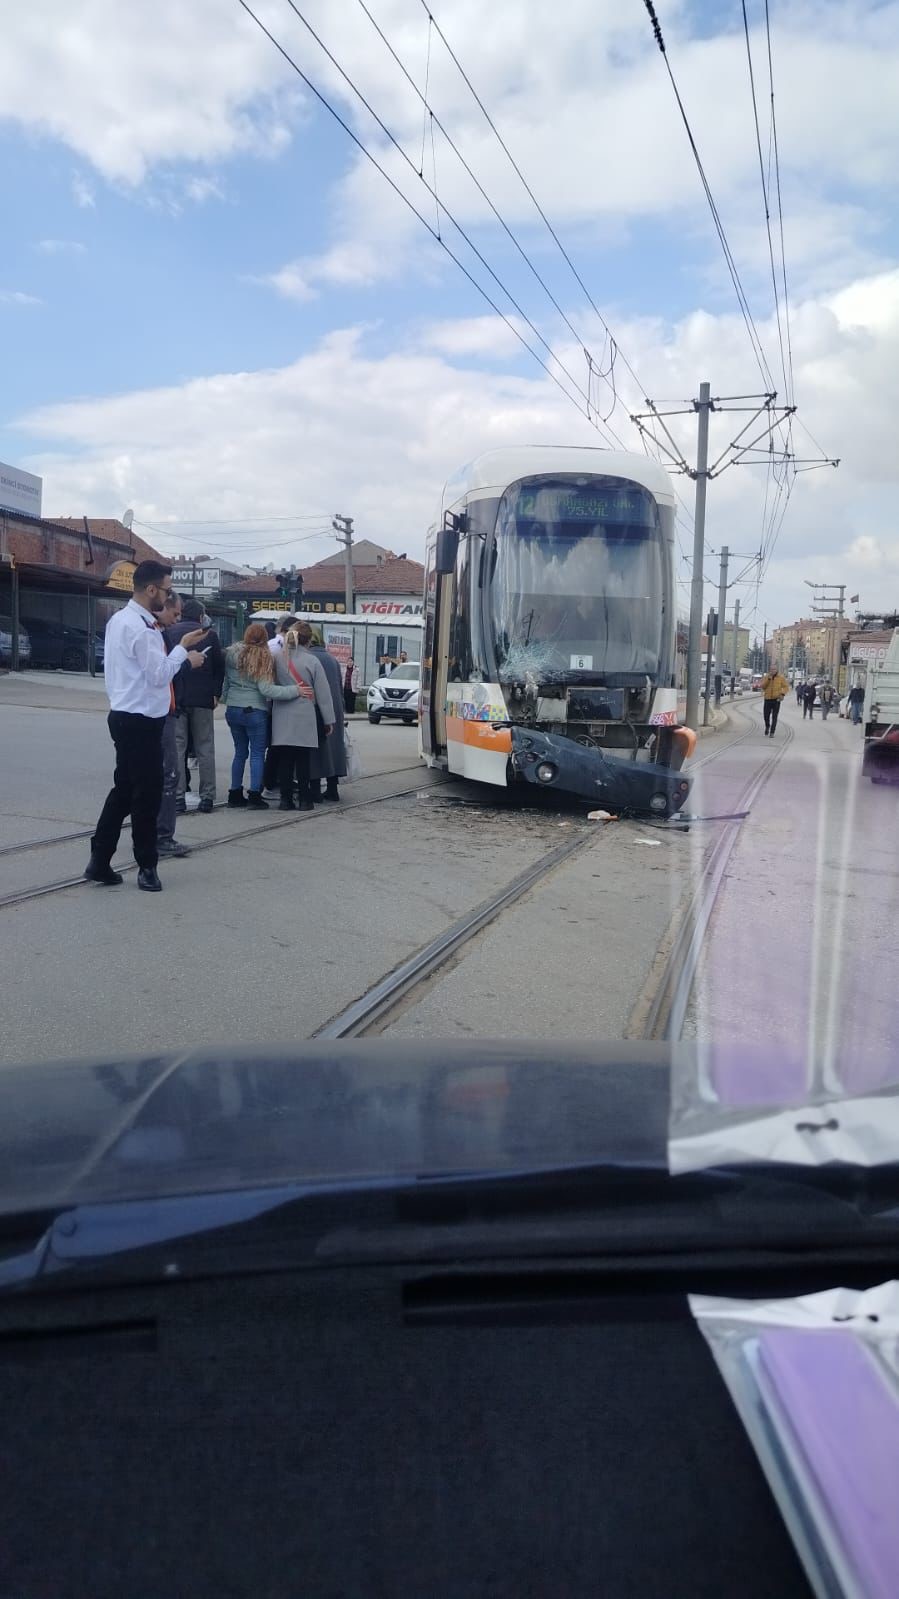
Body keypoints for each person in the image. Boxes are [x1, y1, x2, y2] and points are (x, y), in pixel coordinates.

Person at [85, 560, 208, 892]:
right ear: (151, 590)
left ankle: (100, 859)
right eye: (167, 590)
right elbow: (158, 676)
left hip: (124, 715)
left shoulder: (121, 620)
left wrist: (179, 649)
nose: (168, 597)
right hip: (141, 720)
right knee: (146, 795)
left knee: (124, 790)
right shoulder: (142, 628)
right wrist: (184, 653)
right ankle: (147, 866)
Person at [220, 623, 306, 808]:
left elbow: (226, 685)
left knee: (239, 752)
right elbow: (266, 689)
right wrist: (295, 690)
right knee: (257, 754)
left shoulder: (231, 654)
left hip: (233, 708)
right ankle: (254, 795)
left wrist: (228, 700)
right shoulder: (263, 657)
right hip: (254, 710)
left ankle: (234, 794)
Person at [166, 597, 224, 814]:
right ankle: (207, 797)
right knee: (205, 748)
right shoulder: (210, 634)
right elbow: (219, 667)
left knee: (178, 749)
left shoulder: (171, 633)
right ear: (201, 616)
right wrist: (216, 693)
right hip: (203, 700)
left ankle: (178, 797)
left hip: (178, 699)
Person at [271, 622, 336, 810]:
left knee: (285, 759)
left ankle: (285, 800)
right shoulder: (312, 661)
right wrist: (328, 720)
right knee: (303, 760)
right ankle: (305, 800)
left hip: (282, 713)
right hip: (305, 714)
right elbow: (323, 694)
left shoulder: (276, 657)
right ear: (308, 641)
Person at [156, 590, 191, 860]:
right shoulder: (156, 633)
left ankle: (149, 833)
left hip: (159, 711)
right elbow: (161, 674)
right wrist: (186, 658)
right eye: (175, 613)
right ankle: (161, 836)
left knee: (139, 778)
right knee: (168, 775)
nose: (177, 619)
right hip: (159, 712)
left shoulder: (154, 630)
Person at [308, 635, 347, 802]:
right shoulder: (333, 659)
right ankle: (333, 789)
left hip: (317, 708)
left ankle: (315, 791)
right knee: (334, 750)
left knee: (315, 751)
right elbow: (340, 684)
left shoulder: (310, 658)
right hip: (336, 707)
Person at [262, 615, 298, 794]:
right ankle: (271, 780)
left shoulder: (271, 646)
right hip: (275, 700)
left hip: (272, 700)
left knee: (275, 744)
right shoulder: (277, 648)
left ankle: (272, 779)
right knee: (277, 744)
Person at [761, 664, 789, 736]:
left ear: (777, 670)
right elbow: (763, 687)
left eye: (774, 669)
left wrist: (782, 694)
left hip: (776, 699)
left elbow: (786, 687)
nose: (773, 671)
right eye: (771, 669)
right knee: (766, 715)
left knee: (774, 716)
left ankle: (772, 732)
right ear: (769, 670)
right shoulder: (766, 677)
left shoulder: (781, 678)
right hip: (767, 699)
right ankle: (767, 726)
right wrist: (768, 679)